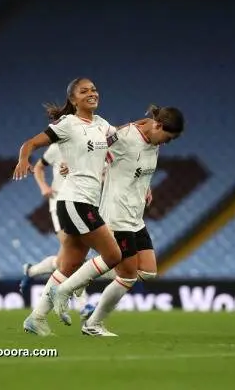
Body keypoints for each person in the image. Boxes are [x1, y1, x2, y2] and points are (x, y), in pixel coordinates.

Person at [50, 105, 185, 336]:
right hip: (117, 213)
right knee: (128, 275)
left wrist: (146, 186)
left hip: (136, 216)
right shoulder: (125, 136)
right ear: (158, 126)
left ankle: (83, 274)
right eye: (168, 137)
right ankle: (85, 313)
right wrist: (72, 164)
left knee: (148, 272)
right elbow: (94, 146)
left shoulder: (154, 141)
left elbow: (138, 167)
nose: (167, 142)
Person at [13, 77, 122, 336]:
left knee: (70, 264)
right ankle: (65, 293)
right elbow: (31, 143)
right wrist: (23, 159)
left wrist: (145, 126)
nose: (92, 93)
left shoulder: (101, 124)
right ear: (73, 100)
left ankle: (36, 318)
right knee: (114, 255)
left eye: (94, 89)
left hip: (85, 201)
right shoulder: (68, 124)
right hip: (74, 201)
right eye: (84, 91)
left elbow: (122, 139)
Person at [19, 145, 88, 309]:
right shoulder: (56, 147)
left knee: (64, 260)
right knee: (74, 254)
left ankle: (32, 271)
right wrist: (43, 187)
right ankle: (83, 305)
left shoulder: (87, 144)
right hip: (59, 205)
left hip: (80, 205)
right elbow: (39, 167)